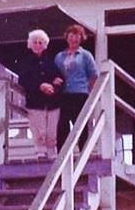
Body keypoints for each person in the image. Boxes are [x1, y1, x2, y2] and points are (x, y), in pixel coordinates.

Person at [18, 29, 63, 160]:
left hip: (52, 101)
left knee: (52, 129)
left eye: (40, 42)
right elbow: (23, 80)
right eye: (35, 42)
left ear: (45, 45)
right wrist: (40, 86)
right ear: (30, 44)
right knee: (38, 129)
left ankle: (52, 151)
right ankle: (40, 151)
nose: (38, 45)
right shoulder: (25, 62)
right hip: (35, 101)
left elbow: (59, 78)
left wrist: (53, 86)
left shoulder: (51, 62)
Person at [55, 24, 98, 153]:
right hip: (64, 94)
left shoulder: (85, 55)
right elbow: (54, 73)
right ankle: (62, 153)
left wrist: (89, 92)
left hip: (80, 94)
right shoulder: (59, 56)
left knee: (80, 124)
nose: (74, 39)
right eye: (71, 35)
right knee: (62, 124)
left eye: (77, 36)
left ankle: (83, 151)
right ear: (67, 37)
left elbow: (93, 75)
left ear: (81, 38)